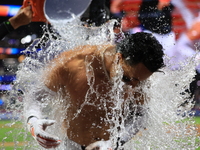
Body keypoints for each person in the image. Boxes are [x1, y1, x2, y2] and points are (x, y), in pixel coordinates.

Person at [25, 32, 165, 149]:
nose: (134, 87)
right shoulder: (73, 63)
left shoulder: (138, 75)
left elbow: (140, 115)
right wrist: (33, 122)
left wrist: (115, 142)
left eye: (140, 82)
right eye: (127, 78)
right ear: (118, 58)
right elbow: (36, 96)